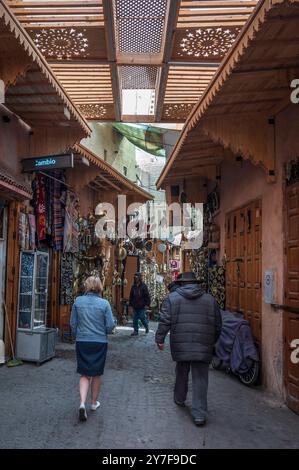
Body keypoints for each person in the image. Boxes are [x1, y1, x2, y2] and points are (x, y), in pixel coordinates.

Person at [155, 272, 222, 426]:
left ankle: (179, 398)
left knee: (181, 371)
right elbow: (218, 325)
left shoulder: (172, 299)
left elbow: (165, 320)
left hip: (181, 343)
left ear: (181, 283)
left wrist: (160, 339)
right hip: (203, 343)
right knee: (201, 378)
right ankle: (199, 414)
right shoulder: (210, 300)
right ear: (196, 283)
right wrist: (212, 341)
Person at [70, 276, 115, 422]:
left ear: (86, 286)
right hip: (99, 342)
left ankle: (82, 403)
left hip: (82, 341)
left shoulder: (78, 301)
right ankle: (93, 403)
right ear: (100, 287)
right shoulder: (105, 304)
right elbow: (109, 326)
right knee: (96, 374)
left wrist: (79, 334)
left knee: (84, 373)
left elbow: (73, 324)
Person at [129, 272, 151, 336]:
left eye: (136, 277)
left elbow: (147, 296)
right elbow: (131, 296)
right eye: (135, 277)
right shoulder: (133, 287)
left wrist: (147, 304)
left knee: (142, 317)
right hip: (135, 305)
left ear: (139, 278)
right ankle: (136, 331)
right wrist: (130, 305)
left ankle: (146, 327)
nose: (135, 278)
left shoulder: (144, 286)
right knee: (135, 319)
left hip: (142, 305)